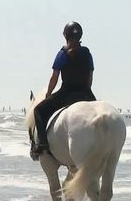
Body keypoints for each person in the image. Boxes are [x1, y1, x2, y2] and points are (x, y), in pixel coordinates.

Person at [31, 21, 96, 161]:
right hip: (86, 93)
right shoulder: (87, 53)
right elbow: (90, 77)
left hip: (67, 93)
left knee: (39, 111)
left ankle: (42, 145)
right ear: (80, 36)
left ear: (65, 36)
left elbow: (54, 78)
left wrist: (48, 94)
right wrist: (87, 92)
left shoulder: (63, 53)